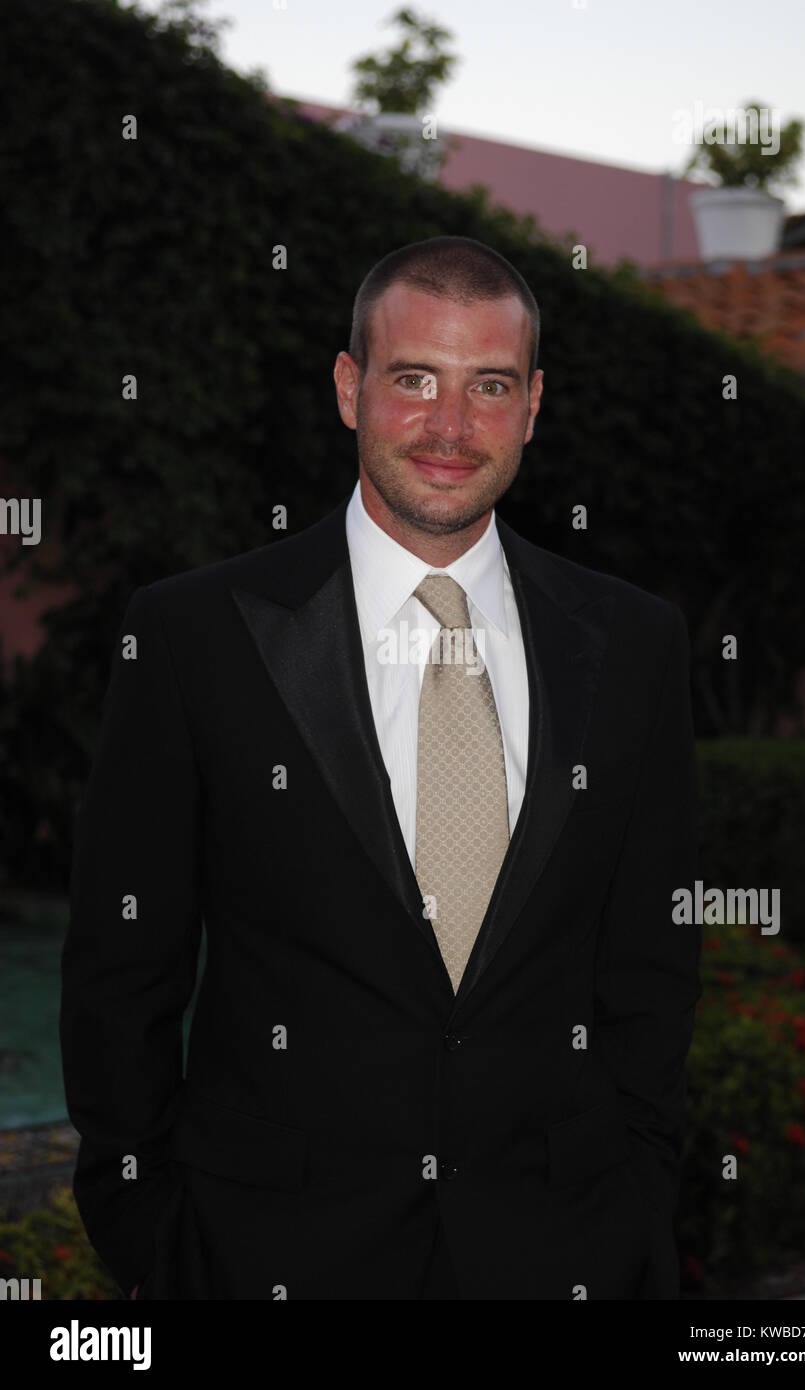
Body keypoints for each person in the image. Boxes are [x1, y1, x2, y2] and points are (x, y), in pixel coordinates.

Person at [60, 235, 702, 1300]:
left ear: (533, 403)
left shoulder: (631, 643)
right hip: (264, 1255)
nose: (449, 428)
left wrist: (638, 1197)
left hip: (562, 1253)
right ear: (350, 387)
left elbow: (649, 957)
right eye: (414, 380)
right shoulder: (194, 635)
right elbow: (122, 963)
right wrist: (149, 1228)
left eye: (488, 386)